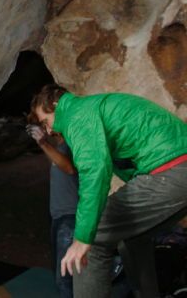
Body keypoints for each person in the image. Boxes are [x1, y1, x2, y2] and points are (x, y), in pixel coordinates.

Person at [28, 83, 187, 298]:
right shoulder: (94, 110)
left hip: (173, 169)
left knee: (94, 235)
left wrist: (83, 239)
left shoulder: (77, 114)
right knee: (132, 238)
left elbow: (94, 169)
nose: (48, 130)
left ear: (55, 104)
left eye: (46, 122)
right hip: (175, 171)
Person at [26, 120, 78, 298]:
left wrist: (43, 142)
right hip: (59, 216)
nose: (46, 129)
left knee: (65, 279)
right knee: (62, 275)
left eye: (46, 123)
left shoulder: (71, 143)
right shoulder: (59, 146)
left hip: (70, 217)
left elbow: (69, 168)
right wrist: (44, 142)